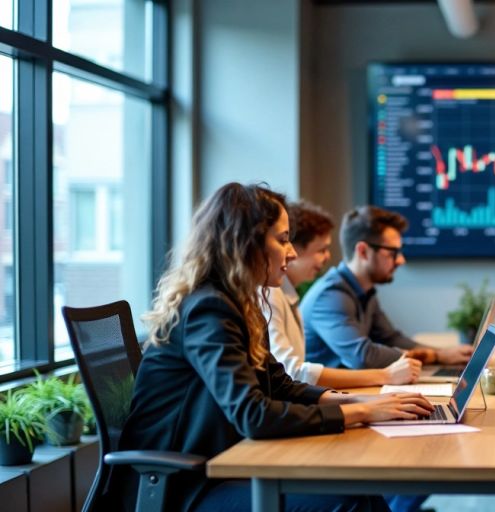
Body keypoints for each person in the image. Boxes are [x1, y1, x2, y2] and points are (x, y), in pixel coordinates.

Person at [114, 183, 432, 511]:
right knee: (350, 501)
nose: (292, 253)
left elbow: (278, 384)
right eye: (282, 240)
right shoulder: (208, 310)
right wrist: (362, 412)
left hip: (219, 465)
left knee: (360, 493)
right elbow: (254, 415)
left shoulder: (238, 304)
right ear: (247, 244)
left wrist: (361, 400)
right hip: (181, 489)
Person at [261, 200, 421, 388]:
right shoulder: (277, 294)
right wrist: (385, 376)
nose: (328, 257)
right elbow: (293, 372)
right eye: (321, 250)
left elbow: (389, 337)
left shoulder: (288, 295)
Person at [301, 205, 472, 370]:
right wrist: (436, 357)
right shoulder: (331, 296)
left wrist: (442, 353)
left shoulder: (364, 290)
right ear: (363, 251)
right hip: (330, 396)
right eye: (392, 253)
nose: (400, 260)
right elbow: (364, 357)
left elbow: (390, 338)